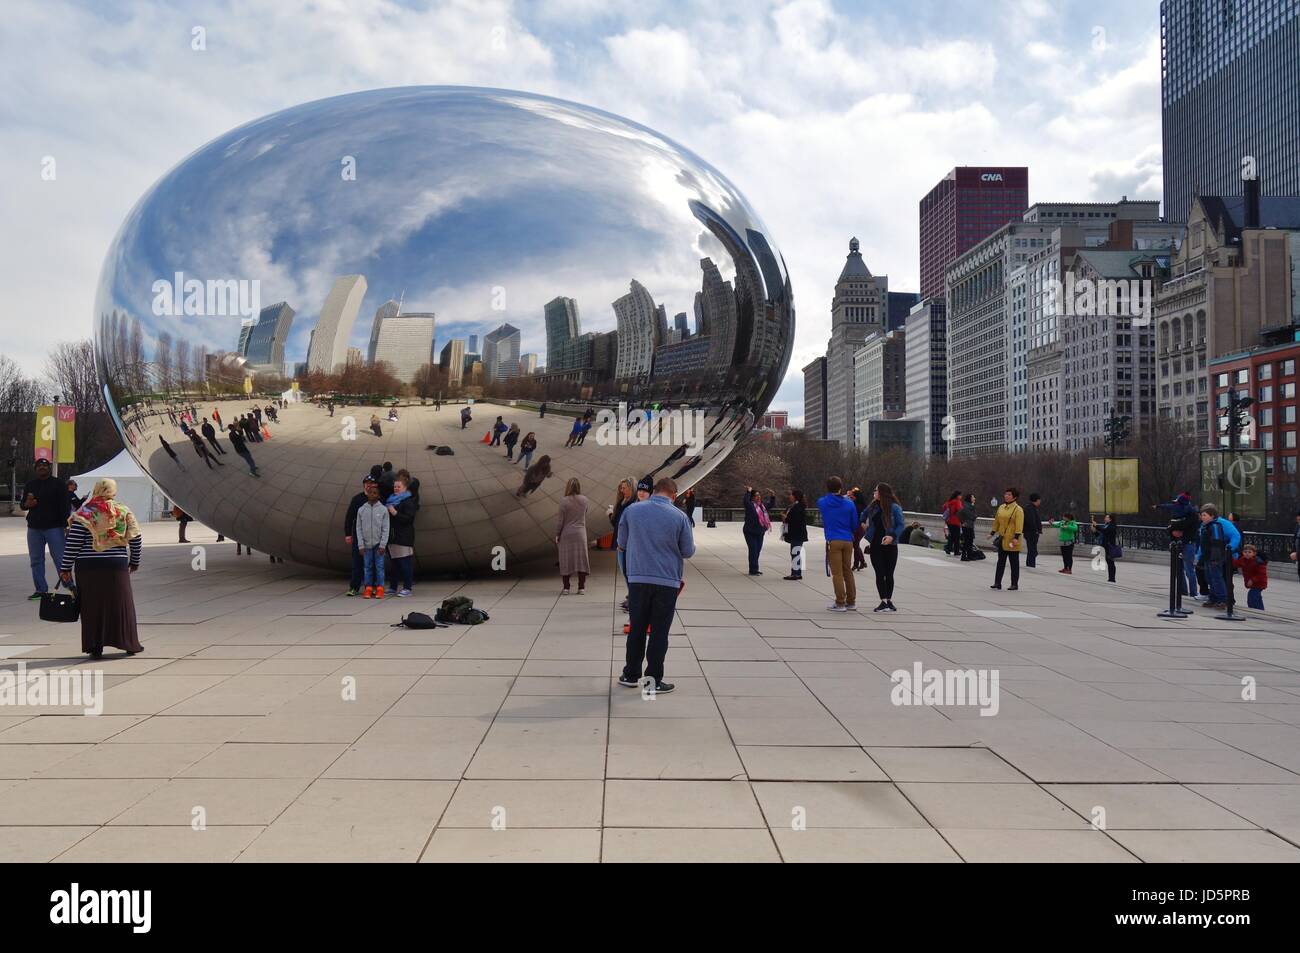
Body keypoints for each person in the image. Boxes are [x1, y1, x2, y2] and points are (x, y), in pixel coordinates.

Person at [616, 476, 695, 695]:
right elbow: (687, 551)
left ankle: (631, 675)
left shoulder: (632, 511)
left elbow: (621, 543)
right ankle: (652, 683)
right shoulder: (679, 516)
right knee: (659, 632)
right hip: (666, 581)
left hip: (638, 579)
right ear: (673, 494)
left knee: (637, 629)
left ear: (654, 491)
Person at [58, 478, 144, 658]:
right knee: (121, 604)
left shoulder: (84, 512)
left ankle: (95, 646)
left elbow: (73, 543)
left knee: (91, 606)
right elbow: (135, 537)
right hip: (116, 565)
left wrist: (65, 567)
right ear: (113, 491)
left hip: (88, 567)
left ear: (96, 489)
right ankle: (128, 643)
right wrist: (134, 561)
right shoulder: (122, 511)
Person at [21, 458, 70, 600]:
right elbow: (23, 505)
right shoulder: (30, 484)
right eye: (39, 466)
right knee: (36, 560)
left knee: (60, 559)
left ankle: (70, 586)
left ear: (49, 468)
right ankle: (41, 590)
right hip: (34, 528)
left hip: (54, 527)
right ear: (35, 468)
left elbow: (65, 506)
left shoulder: (59, 484)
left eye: (44, 465)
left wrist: (66, 526)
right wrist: (28, 504)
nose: (42, 467)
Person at [818, 476, 859, 612]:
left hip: (833, 540)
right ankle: (851, 601)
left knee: (837, 573)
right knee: (848, 571)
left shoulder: (822, 502)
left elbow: (825, 506)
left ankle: (840, 602)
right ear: (841, 487)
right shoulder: (849, 503)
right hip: (848, 540)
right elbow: (855, 524)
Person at [863, 483, 905, 612]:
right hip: (875, 544)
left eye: (875, 490)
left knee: (889, 574)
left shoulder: (894, 508)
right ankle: (882, 601)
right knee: (879, 573)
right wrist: (863, 523)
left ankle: (889, 600)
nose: (874, 493)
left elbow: (900, 524)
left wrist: (892, 536)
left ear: (882, 492)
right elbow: (862, 515)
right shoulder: (872, 507)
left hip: (890, 544)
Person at [1197, 503, 1241, 610]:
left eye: (1204, 515)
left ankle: (1224, 600)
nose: (1202, 517)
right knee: (1210, 577)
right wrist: (1199, 556)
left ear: (1212, 516)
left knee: (1219, 578)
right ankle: (1214, 598)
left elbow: (1235, 536)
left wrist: (1229, 548)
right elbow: (1202, 542)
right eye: (1201, 515)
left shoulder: (1219, 524)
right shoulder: (1205, 525)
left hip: (1220, 555)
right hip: (1209, 555)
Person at [1156, 491, 1200, 598]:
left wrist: (1173, 529)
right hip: (1178, 543)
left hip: (1188, 543)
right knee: (1178, 568)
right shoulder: (1179, 512)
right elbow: (1172, 526)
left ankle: (1193, 592)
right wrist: (1172, 529)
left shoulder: (1192, 515)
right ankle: (1183, 590)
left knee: (1188, 569)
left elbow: (1182, 525)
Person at [355, 478, 390, 599]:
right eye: (370, 493)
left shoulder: (383, 510)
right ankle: (368, 588)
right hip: (366, 545)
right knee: (367, 567)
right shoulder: (361, 510)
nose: (372, 495)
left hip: (378, 545)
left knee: (379, 567)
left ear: (379, 496)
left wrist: (382, 545)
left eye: (375, 493)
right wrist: (360, 545)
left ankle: (380, 588)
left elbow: (386, 528)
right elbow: (358, 529)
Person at [385, 475, 418, 598]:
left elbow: (409, 519)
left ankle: (407, 588)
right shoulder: (391, 500)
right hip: (393, 536)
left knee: (405, 564)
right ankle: (393, 587)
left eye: (399, 487)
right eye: (395, 487)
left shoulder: (408, 501)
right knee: (394, 564)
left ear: (404, 488)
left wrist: (395, 513)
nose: (396, 489)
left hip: (404, 538)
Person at [556, 478, 590, 594]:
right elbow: (585, 513)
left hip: (567, 533)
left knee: (565, 559)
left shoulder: (563, 501)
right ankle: (581, 587)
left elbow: (561, 521)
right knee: (581, 560)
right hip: (580, 533)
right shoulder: (585, 500)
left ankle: (566, 588)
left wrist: (557, 534)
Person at [343, 476, 375, 596]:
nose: (368, 485)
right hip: (359, 535)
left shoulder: (376, 498)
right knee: (357, 563)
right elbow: (349, 517)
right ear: (364, 485)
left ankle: (370, 587)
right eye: (366, 483)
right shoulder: (357, 499)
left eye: (371, 483)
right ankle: (354, 587)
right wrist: (348, 534)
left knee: (371, 563)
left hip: (372, 536)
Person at [990, 487, 1024, 591]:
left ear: (1014, 497)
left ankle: (1014, 584)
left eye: (1009, 494)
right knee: (1000, 561)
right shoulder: (1001, 507)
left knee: (1014, 563)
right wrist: (992, 532)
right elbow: (997, 521)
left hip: (1012, 539)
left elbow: (1019, 525)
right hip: (1002, 538)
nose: (1006, 496)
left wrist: (1016, 537)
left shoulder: (1018, 509)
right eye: (1006, 494)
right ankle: (997, 582)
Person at [782, 489, 807, 580]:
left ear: (795, 496)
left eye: (791, 495)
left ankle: (795, 573)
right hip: (798, 533)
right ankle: (797, 572)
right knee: (796, 552)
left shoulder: (797, 507)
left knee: (795, 553)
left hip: (797, 533)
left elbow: (795, 521)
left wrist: (786, 518)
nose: (790, 496)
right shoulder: (797, 506)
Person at [1233, 544, 1268, 611]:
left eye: (1249, 552)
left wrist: (1252, 580)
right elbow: (1236, 564)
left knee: (1252, 597)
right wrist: (1230, 557)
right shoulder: (1243, 559)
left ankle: (1254, 610)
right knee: (1256, 597)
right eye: (1245, 552)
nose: (1247, 554)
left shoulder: (1258, 561)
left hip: (1259, 583)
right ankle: (1260, 610)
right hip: (1252, 583)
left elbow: (1261, 574)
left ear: (1254, 553)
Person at [741, 486, 767, 575]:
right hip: (750, 532)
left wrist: (773, 496)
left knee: (757, 550)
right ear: (752, 497)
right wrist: (748, 492)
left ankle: (755, 568)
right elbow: (745, 501)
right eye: (756, 495)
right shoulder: (750, 505)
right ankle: (753, 570)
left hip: (760, 532)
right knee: (753, 550)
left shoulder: (762, 506)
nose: (758, 497)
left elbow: (771, 505)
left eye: (759, 495)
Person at [1090, 514, 1119, 583]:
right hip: (1105, 546)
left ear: (1110, 519)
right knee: (1108, 561)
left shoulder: (1112, 526)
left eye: (1107, 517)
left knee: (1111, 561)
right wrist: (1094, 531)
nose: (1105, 518)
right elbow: (1101, 534)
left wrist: (1096, 526)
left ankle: (1112, 578)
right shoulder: (1106, 525)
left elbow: (1105, 531)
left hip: (1109, 546)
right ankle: (1110, 577)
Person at [850, 488, 868, 571]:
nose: (851, 497)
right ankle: (862, 562)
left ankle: (856, 564)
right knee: (856, 545)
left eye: (852, 496)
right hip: (861, 528)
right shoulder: (864, 505)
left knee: (855, 545)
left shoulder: (854, 505)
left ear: (856, 497)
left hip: (858, 527)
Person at [941, 491, 963, 556]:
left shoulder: (950, 501)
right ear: (957, 496)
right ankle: (955, 550)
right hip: (955, 521)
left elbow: (944, 507)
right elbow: (960, 510)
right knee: (956, 537)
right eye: (960, 495)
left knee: (952, 535)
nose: (961, 496)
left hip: (949, 521)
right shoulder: (957, 501)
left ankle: (949, 548)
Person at [1024, 493, 1043, 568]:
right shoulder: (1030, 508)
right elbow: (1031, 521)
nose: (1040, 502)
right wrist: (1036, 530)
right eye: (1039, 500)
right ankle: (1031, 564)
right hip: (1031, 532)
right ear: (1037, 500)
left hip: (1031, 532)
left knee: (1032, 549)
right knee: (1032, 550)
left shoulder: (1031, 508)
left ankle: (1031, 564)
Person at [958, 493, 978, 560]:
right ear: (970, 498)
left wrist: (962, 521)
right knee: (967, 541)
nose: (974, 498)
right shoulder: (967, 506)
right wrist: (963, 522)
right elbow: (972, 516)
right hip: (967, 526)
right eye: (973, 497)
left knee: (970, 541)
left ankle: (969, 555)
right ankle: (964, 556)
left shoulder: (969, 505)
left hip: (969, 525)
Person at [1291, 509, 1300, 582]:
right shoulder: (1297, 527)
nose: (1298, 518)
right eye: (1298, 516)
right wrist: (1294, 551)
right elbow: (1295, 540)